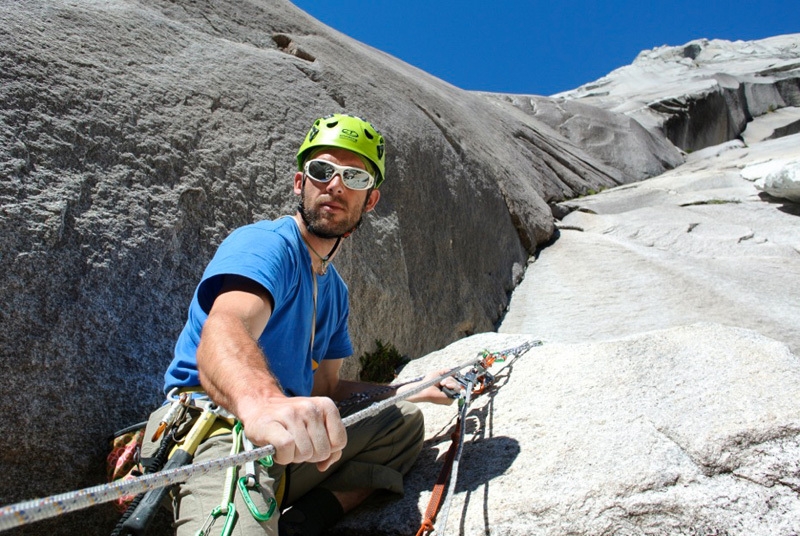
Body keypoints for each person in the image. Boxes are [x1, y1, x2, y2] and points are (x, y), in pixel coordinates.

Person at [140, 113, 456, 536]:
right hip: (224, 427)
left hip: (286, 440)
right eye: (322, 171)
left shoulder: (334, 290)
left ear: (371, 200)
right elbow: (227, 325)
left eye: (354, 178)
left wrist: (408, 388)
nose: (336, 185)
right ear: (298, 183)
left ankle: (302, 524)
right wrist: (261, 403)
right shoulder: (268, 245)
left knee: (400, 424)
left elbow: (326, 390)